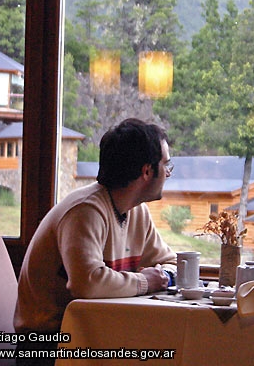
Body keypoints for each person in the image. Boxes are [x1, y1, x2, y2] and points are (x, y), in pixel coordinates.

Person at [14, 118, 177, 363]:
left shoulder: (136, 211)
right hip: (50, 345)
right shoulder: (85, 211)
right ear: (146, 171)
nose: (168, 173)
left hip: (97, 334)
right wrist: (145, 282)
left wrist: (166, 276)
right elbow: (86, 283)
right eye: (166, 164)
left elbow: (170, 261)